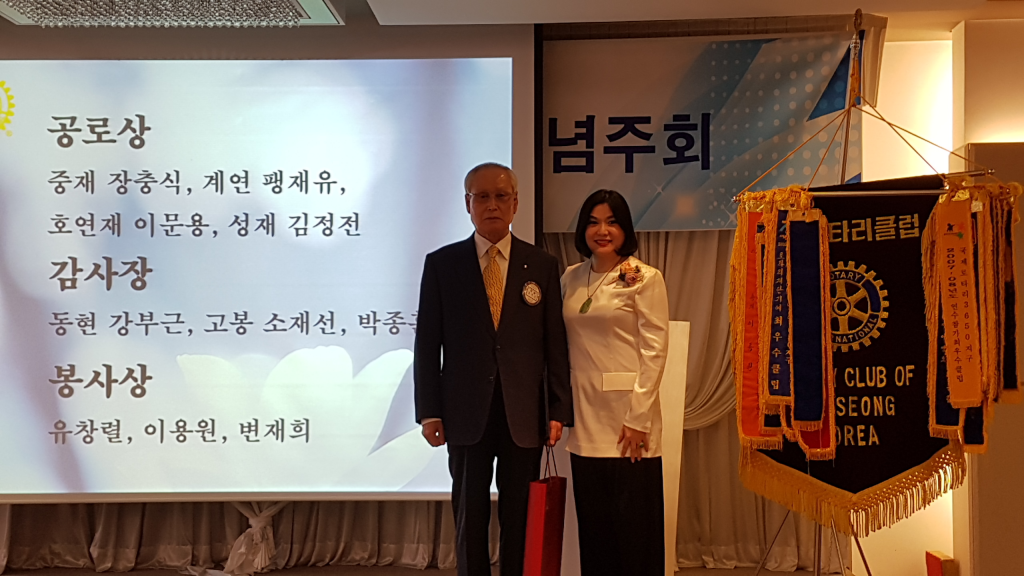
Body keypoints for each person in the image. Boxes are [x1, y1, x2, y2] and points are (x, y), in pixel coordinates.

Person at [414, 162, 573, 576]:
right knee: (470, 512)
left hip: (524, 412)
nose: (492, 205)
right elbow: (427, 344)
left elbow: (554, 343)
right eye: (481, 197)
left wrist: (558, 409)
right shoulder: (443, 264)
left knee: (520, 514)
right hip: (464, 412)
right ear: (467, 204)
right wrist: (429, 411)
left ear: (516, 203)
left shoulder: (541, 264)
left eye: (501, 196)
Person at [560, 189, 670, 576]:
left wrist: (639, 418)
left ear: (625, 228)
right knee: (595, 531)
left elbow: (655, 351)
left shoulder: (643, 277)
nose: (602, 230)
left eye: (611, 222)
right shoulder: (571, 277)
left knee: (635, 532)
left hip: (628, 422)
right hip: (584, 418)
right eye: (593, 222)